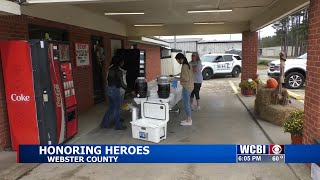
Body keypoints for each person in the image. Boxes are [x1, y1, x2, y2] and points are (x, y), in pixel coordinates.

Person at [101, 55, 128, 130]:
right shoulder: (118, 71)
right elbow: (121, 83)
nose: (123, 62)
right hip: (115, 90)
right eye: (122, 61)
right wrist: (129, 90)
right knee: (117, 108)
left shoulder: (110, 68)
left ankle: (104, 123)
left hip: (108, 89)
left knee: (111, 107)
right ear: (119, 62)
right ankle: (118, 125)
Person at [175, 53, 194, 126]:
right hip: (190, 86)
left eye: (177, 60)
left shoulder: (184, 66)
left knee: (187, 104)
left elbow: (186, 78)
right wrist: (178, 77)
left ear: (180, 59)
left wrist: (178, 78)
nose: (177, 62)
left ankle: (189, 120)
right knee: (187, 103)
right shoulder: (187, 65)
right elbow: (186, 75)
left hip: (187, 87)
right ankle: (187, 119)